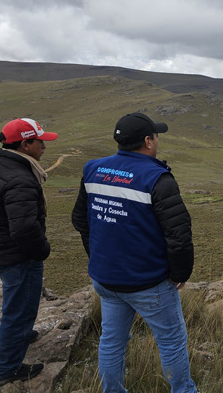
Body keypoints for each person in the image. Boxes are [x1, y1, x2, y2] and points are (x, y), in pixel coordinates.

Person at [71, 112, 197, 393]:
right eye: (156, 135)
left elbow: (81, 220)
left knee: (112, 340)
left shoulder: (93, 169)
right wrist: (179, 274)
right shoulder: (157, 178)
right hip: (148, 283)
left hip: (105, 279)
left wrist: (98, 257)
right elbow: (179, 234)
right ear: (148, 141)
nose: (157, 140)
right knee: (172, 341)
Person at [0, 118, 58, 386]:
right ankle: (7, 369)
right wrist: (42, 250)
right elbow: (24, 229)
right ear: (25, 144)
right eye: (40, 142)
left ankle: (22, 334)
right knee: (20, 308)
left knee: (19, 304)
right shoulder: (21, 179)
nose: (44, 147)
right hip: (18, 255)